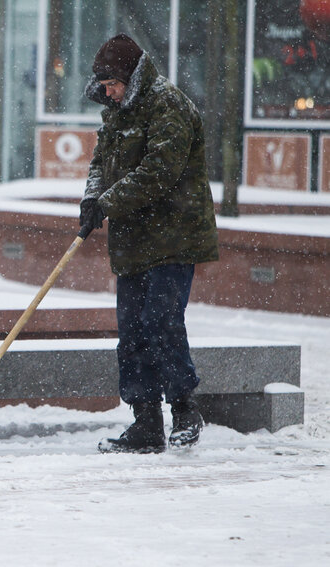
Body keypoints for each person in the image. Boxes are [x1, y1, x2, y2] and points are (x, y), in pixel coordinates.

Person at [79, 34, 219, 453]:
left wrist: (108, 202)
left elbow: (160, 171)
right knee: (133, 333)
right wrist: (91, 197)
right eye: (103, 86)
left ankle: (183, 409)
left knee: (161, 324)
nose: (108, 93)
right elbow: (102, 161)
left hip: (173, 237)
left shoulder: (167, 105)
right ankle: (145, 422)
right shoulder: (118, 111)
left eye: (113, 84)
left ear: (131, 76)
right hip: (133, 240)